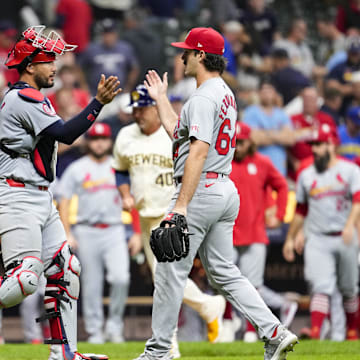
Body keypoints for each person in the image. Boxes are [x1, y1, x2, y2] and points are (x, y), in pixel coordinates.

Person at [133, 26, 298, 360]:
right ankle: (274, 332)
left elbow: (196, 151)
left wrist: (180, 205)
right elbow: (178, 133)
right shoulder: (222, 93)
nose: (182, 57)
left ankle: (159, 352)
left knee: (168, 272)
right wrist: (161, 98)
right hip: (222, 187)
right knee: (224, 273)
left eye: (187, 51)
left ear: (200, 55)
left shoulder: (205, 97)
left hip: (200, 189)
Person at [0, 25, 121, 360]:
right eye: (48, 59)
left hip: (39, 195)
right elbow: (66, 134)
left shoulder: (37, 97)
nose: (54, 65)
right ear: (30, 65)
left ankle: (63, 354)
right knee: (24, 279)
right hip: (15, 196)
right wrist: (98, 103)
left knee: (67, 270)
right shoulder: (22, 98)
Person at [112, 85, 226, 357]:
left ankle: (168, 345)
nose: (137, 114)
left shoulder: (172, 133)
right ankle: (207, 307)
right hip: (146, 215)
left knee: (165, 280)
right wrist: (125, 193)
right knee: (165, 279)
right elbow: (120, 171)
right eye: (135, 109)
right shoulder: (126, 135)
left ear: (156, 108)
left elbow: (197, 165)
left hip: (172, 213)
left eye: (142, 109)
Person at [58, 122, 135, 344]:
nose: (99, 143)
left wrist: (136, 232)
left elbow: (133, 198)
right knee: (91, 284)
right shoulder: (77, 168)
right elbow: (64, 199)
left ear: (109, 141)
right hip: (86, 230)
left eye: (103, 139)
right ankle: (95, 332)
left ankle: (114, 327)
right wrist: (67, 232)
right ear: (89, 142)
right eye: (94, 139)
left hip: (114, 229)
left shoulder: (118, 165)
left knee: (121, 278)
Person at [283, 123, 360, 340]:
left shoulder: (350, 170)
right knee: (320, 286)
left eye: (319, 145)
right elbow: (301, 209)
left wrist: (350, 226)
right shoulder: (306, 174)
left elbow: (358, 201)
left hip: (345, 236)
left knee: (349, 288)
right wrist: (291, 237)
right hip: (317, 237)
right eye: (313, 145)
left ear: (331, 144)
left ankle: (353, 331)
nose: (314, 150)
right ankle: (315, 332)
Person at [228, 122, 298, 343]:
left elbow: (282, 186)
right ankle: (278, 304)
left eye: (242, 142)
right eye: (234, 142)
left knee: (252, 286)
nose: (238, 146)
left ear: (251, 143)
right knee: (222, 282)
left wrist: (279, 213)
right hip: (227, 233)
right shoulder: (223, 162)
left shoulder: (262, 162)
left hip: (255, 233)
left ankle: (250, 329)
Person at [243, 79, 295, 176]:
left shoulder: (281, 114)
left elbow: (290, 139)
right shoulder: (251, 112)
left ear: (275, 93)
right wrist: (279, 134)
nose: (267, 94)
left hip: (279, 170)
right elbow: (254, 139)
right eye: (264, 90)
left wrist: (265, 134)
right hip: (257, 169)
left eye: (270, 90)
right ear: (259, 93)